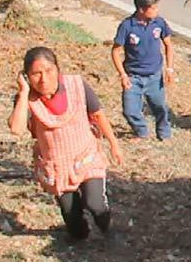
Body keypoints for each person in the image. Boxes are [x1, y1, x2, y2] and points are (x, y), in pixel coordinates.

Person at [8, 47, 123, 240]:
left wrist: (114, 144)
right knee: (71, 215)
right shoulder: (28, 100)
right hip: (57, 166)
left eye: (49, 71)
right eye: (36, 74)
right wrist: (24, 92)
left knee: (95, 203)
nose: (44, 79)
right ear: (27, 76)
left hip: (86, 156)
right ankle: (80, 236)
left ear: (57, 69)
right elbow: (16, 129)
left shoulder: (76, 85)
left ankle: (110, 232)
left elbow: (97, 113)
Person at [112, 0, 174, 140]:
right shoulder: (127, 26)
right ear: (141, 9)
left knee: (160, 108)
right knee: (130, 110)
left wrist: (169, 68)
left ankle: (164, 133)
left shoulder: (159, 23)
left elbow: (168, 45)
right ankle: (142, 132)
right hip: (134, 77)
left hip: (154, 76)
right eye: (153, 8)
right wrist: (122, 75)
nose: (156, 11)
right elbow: (115, 51)